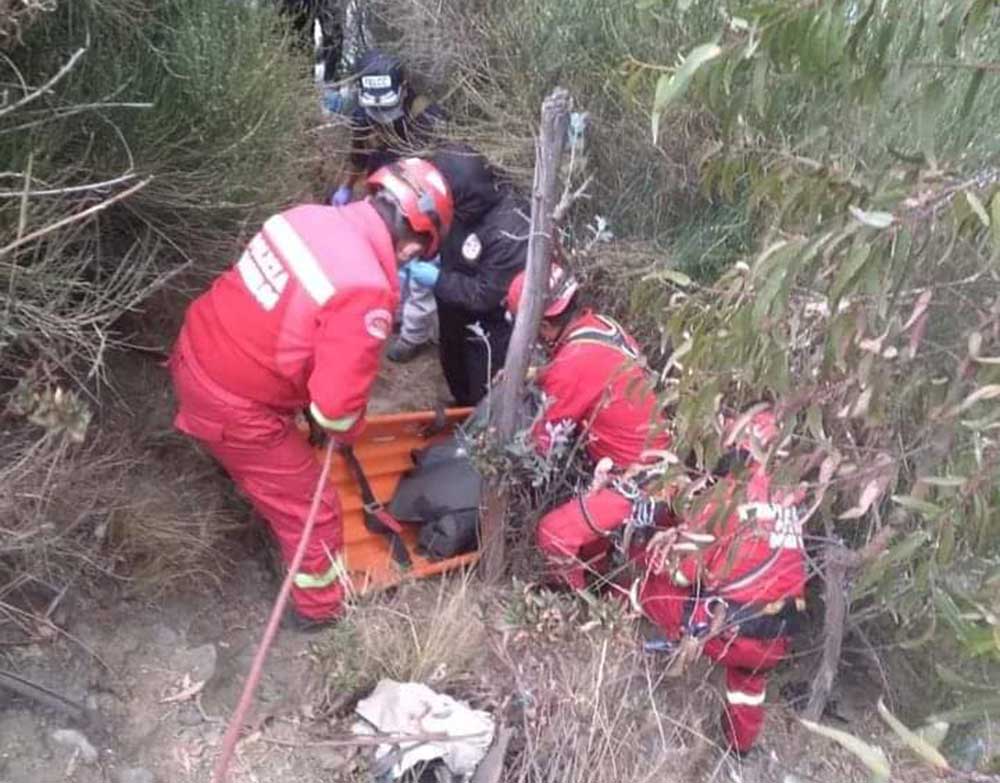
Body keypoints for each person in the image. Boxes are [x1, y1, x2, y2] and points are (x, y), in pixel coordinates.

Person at [168, 158, 453, 629]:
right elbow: (337, 410)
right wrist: (346, 428)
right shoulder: (365, 288)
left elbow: (286, 325)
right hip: (233, 406)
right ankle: (318, 612)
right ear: (412, 246)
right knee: (314, 513)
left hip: (197, 350)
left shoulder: (304, 218)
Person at [636, 406, 807, 754]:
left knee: (655, 587)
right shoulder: (792, 503)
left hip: (730, 631)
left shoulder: (726, 497)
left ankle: (647, 663)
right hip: (778, 636)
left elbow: (684, 573)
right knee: (748, 683)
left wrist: (657, 549)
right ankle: (740, 747)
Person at [504, 263, 673, 591]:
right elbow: (589, 374)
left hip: (642, 481)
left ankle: (577, 604)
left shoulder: (574, 362)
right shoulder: (601, 328)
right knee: (589, 542)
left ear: (544, 326)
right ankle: (598, 577)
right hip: (658, 467)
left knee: (554, 533)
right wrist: (535, 377)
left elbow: (539, 444)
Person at [331, 48, 447, 363]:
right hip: (384, 195)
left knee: (419, 275)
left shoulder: (428, 119)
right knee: (384, 260)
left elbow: (443, 176)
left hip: (423, 201)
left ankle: (413, 335)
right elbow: (358, 157)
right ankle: (390, 312)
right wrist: (345, 188)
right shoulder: (362, 117)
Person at [403, 145, 528, 405]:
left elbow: (488, 294)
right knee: (453, 366)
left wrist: (438, 280)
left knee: (483, 388)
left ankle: (477, 424)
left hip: (488, 326)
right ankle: (460, 405)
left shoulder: (508, 230)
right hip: (452, 305)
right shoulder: (457, 203)